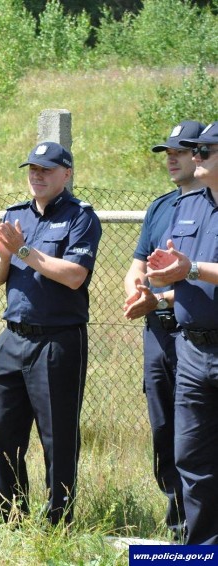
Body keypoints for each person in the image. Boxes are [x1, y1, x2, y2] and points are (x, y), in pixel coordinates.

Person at [0, 142, 102, 526]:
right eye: (32, 168)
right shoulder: (14, 215)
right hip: (12, 338)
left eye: (46, 169)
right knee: (1, 430)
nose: (37, 175)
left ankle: (58, 524)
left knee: (58, 437)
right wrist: (5, 254)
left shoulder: (80, 217)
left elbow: (74, 275)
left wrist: (24, 250)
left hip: (57, 340)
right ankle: (12, 520)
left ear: (66, 174)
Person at [123, 120, 205, 539]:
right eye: (167, 151)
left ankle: (200, 534)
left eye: (183, 149)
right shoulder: (161, 207)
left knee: (198, 437)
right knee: (165, 431)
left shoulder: (209, 207)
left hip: (196, 332)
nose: (172, 157)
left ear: (204, 153)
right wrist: (135, 290)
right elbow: (138, 265)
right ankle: (177, 527)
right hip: (158, 333)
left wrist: (161, 297)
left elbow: (196, 277)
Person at [146, 121, 218, 545]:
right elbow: (173, 274)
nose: (196, 157)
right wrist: (155, 291)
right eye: (197, 151)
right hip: (191, 349)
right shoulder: (187, 207)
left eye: (206, 150)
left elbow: (190, 270)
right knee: (190, 457)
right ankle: (200, 551)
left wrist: (189, 268)